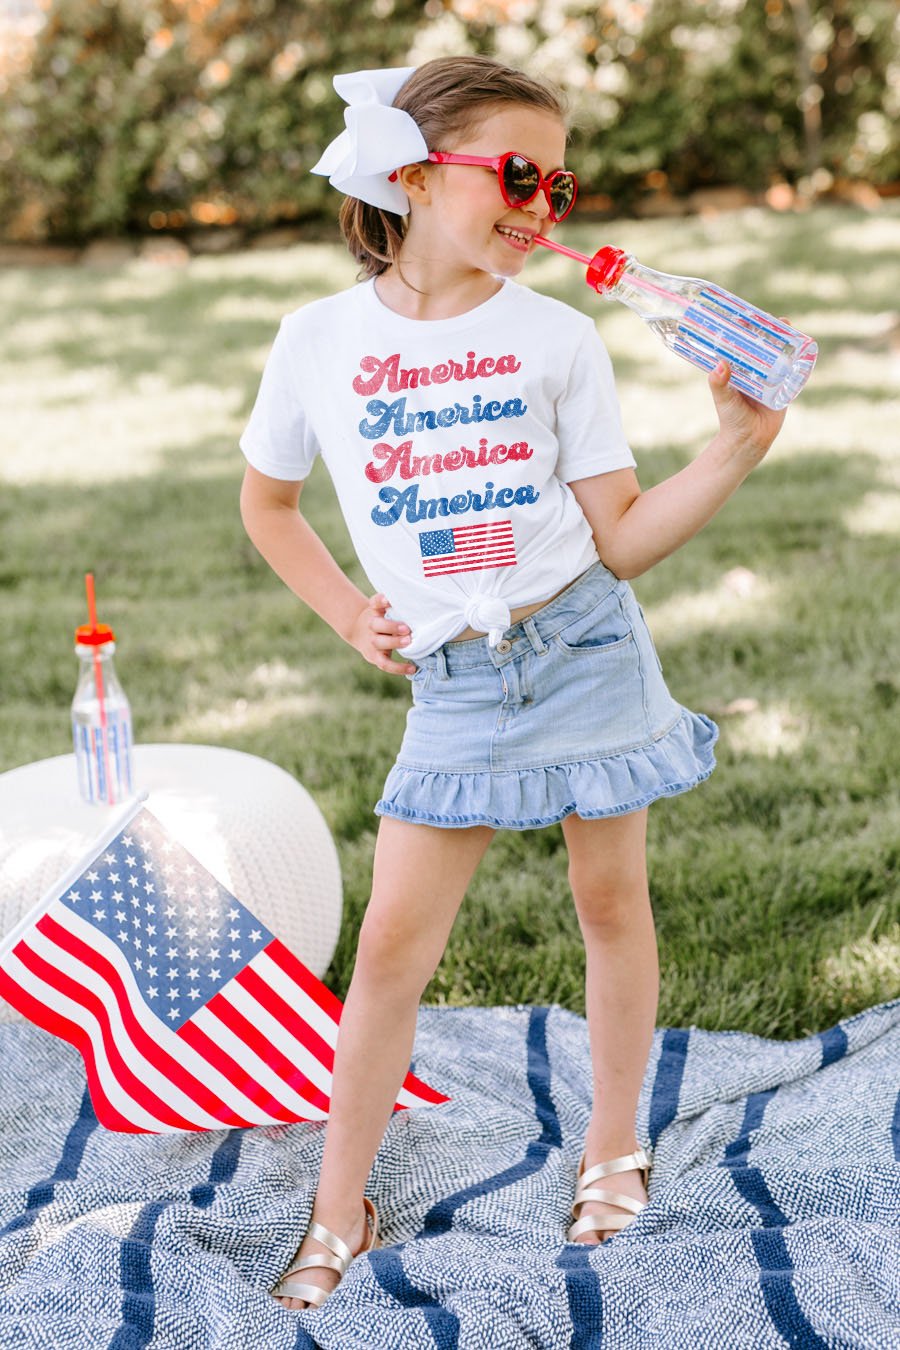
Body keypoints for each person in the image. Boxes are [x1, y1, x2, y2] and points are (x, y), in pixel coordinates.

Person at [239, 55, 786, 1310]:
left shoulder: (559, 336)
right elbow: (269, 507)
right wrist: (346, 616)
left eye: (560, 179)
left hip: (586, 647)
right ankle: (340, 1207)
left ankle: (614, 1146)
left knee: (611, 906)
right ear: (417, 176)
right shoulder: (317, 341)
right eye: (519, 175)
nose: (544, 205)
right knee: (387, 956)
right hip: (457, 686)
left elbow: (624, 537)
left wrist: (737, 446)